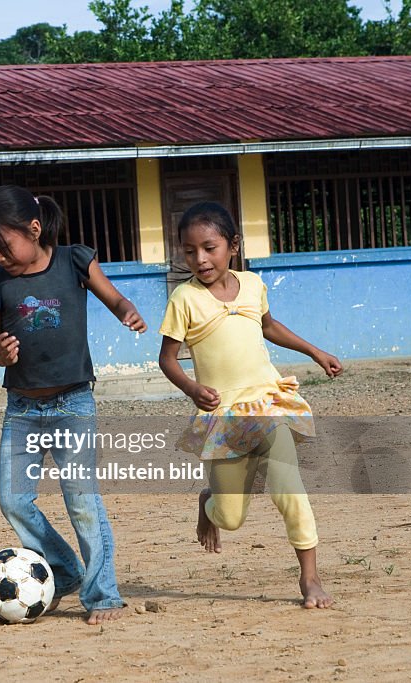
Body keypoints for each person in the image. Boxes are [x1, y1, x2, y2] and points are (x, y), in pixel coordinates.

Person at [0, 184, 147, 624]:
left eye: (3, 246)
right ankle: (66, 570)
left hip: (73, 404)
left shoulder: (75, 260)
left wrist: (127, 312)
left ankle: (103, 594)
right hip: (22, 410)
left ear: (33, 229)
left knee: (82, 501)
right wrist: (2, 352)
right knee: (13, 500)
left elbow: (114, 297)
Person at [157, 201, 341, 609]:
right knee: (231, 516)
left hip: (266, 405)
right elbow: (167, 358)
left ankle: (309, 578)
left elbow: (270, 326)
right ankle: (209, 502)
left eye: (209, 247)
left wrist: (315, 351)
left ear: (233, 245)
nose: (200, 259)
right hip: (222, 418)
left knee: (289, 490)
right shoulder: (184, 300)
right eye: (189, 251)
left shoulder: (253, 285)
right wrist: (191, 388)